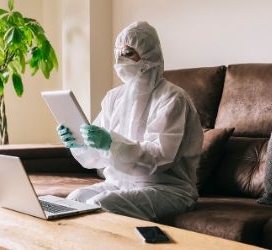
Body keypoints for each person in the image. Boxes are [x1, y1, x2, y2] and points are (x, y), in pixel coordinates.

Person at [56, 21, 203, 221]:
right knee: (75, 199)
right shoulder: (114, 97)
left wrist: (112, 143)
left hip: (167, 188)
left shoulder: (173, 99)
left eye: (127, 53)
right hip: (119, 183)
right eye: (117, 52)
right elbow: (96, 157)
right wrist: (79, 143)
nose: (119, 59)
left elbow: (160, 159)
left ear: (148, 54)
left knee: (99, 205)